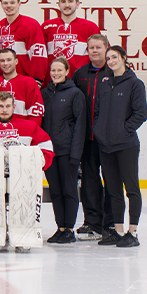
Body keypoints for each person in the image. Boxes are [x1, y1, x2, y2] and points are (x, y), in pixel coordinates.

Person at [0, 91, 54, 252]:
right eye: (0, 106)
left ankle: (23, 235)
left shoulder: (29, 126)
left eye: (8, 106)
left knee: (24, 191)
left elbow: (46, 145)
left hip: (20, 177)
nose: (4, 110)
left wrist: (39, 162)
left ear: (14, 107)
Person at [92, 46, 147, 247]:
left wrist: (123, 130)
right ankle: (118, 230)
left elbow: (141, 113)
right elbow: (97, 111)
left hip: (126, 145)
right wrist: (98, 130)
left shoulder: (135, 84)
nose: (111, 61)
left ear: (124, 58)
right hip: (106, 145)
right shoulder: (105, 84)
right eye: (108, 58)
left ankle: (132, 233)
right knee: (113, 190)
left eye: (114, 57)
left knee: (132, 189)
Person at [72, 34, 114, 240]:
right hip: (87, 138)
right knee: (89, 180)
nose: (94, 51)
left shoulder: (116, 73)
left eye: (98, 47)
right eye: (91, 48)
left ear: (106, 48)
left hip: (109, 139)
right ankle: (92, 222)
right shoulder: (80, 75)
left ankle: (111, 223)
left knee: (111, 179)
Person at [40, 57, 86, 244]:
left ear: (67, 71)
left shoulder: (75, 94)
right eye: (53, 70)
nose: (56, 73)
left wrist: (76, 154)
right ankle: (60, 228)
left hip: (67, 151)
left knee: (69, 190)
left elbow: (80, 126)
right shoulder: (44, 93)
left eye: (60, 70)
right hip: (51, 152)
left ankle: (69, 228)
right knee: (56, 191)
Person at [41, 0, 100, 81]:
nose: (67, 5)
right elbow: (40, 57)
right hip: (53, 81)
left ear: (77, 4)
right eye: (63, 1)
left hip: (80, 81)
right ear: (58, 5)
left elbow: (99, 55)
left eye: (70, 1)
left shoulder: (90, 27)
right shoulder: (47, 26)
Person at [0, 0, 48, 84]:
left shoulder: (30, 25)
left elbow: (38, 54)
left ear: (19, 4)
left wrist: (37, 78)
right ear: (1, 5)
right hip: (3, 82)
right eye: (5, 3)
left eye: (12, 2)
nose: (9, 6)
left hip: (25, 81)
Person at [0, 48, 44, 126]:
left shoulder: (29, 82)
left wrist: (30, 132)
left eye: (9, 60)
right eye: (2, 61)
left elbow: (35, 113)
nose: (5, 63)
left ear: (16, 61)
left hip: (21, 131)